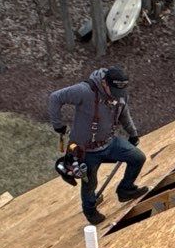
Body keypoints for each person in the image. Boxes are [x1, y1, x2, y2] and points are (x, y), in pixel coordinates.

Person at [48, 65, 146, 223]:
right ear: (105, 83)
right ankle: (90, 211)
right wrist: (57, 124)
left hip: (109, 143)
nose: (116, 97)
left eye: (119, 93)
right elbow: (55, 97)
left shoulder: (120, 96)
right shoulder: (85, 91)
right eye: (113, 92)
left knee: (137, 158)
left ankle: (125, 189)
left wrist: (133, 133)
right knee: (89, 183)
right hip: (85, 150)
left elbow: (124, 114)